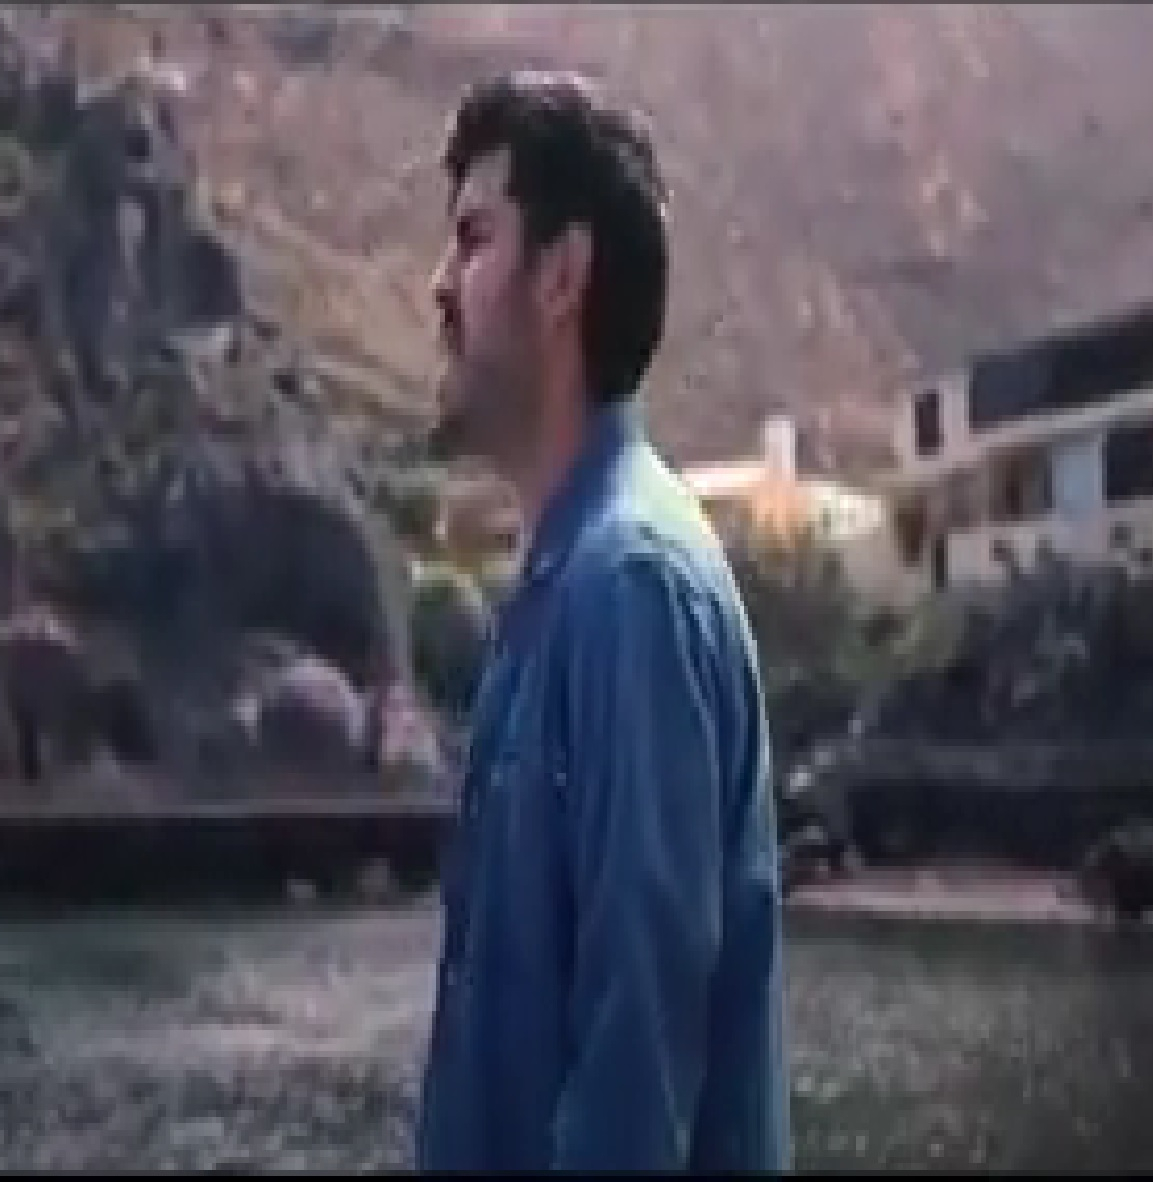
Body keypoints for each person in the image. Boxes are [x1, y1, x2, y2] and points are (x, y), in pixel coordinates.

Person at [415, 70, 790, 1172]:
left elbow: (635, 1070)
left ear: (561, 276)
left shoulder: (630, 587)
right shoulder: (560, 588)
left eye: (473, 240)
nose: (437, 285)